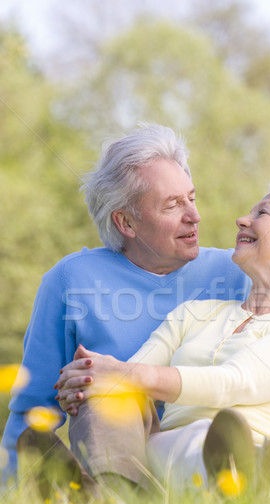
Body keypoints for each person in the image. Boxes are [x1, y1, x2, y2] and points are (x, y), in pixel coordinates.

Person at [53, 179, 270, 491]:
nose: (243, 220)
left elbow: (235, 381)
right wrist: (90, 378)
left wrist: (123, 373)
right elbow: (133, 379)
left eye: (262, 214)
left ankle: (247, 475)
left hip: (255, 449)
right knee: (107, 387)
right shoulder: (195, 313)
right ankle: (100, 494)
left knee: (205, 435)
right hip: (165, 453)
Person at [1, 124, 250, 482]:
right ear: (126, 222)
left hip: (211, 445)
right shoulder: (70, 281)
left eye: (191, 198)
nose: (194, 216)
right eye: (172, 205)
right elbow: (31, 410)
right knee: (101, 389)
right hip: (123, 450)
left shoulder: (237, 272)